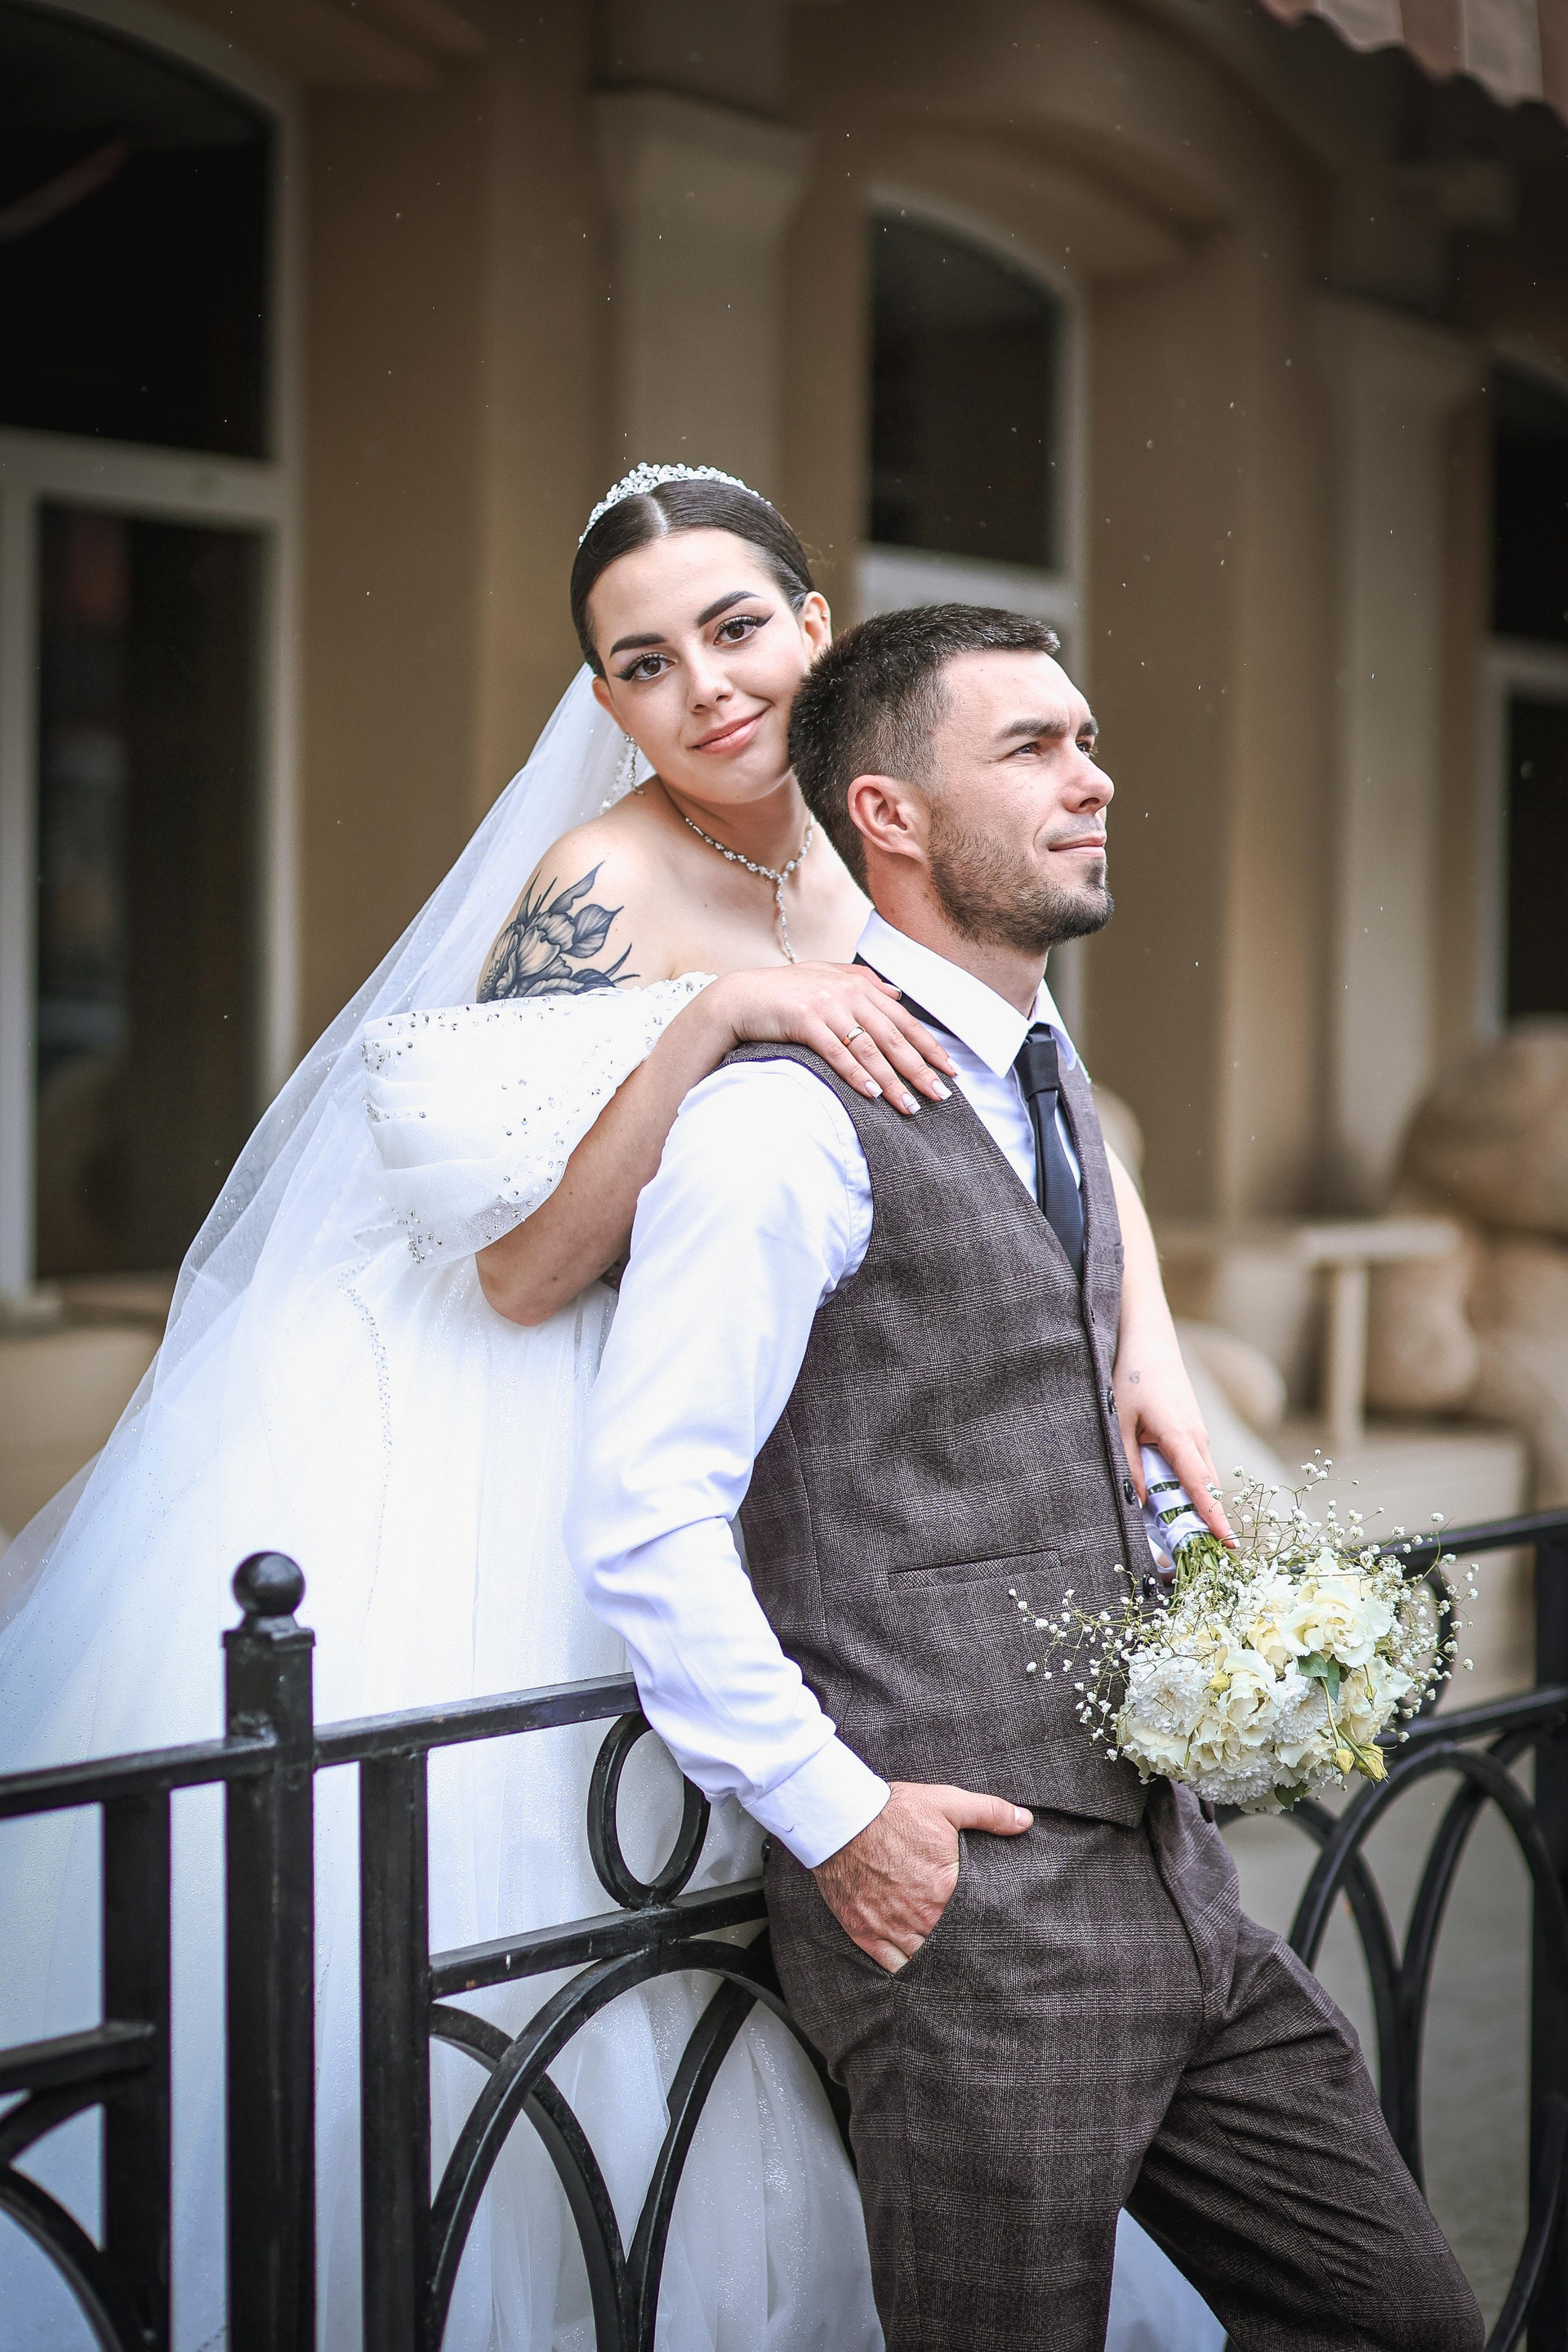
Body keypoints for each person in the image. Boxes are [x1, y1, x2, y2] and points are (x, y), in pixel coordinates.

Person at [0, 465, 1215, 2351]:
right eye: (644, 663)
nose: (704, 687)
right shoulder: (600, 884)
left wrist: (1144, 1340)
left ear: (816, 627)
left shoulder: (884, 842)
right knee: (559, 1920)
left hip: (801, 1414)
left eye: (734, 629)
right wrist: (714, 1022)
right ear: (606, 701)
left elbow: (1036, 1071)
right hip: (548, 1424)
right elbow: (517, 1268)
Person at [565, 602, 1487, 2352]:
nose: (1095, 779)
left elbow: (1007, 1408)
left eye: (1088, 740)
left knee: (1404, 2317)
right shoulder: (781, 1128)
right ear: (890, 816)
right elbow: (646, 1513)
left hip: (1179, 1887)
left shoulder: (1045, 1080)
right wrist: (843, 1821)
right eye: (1034, 748)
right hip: (971, 1926)